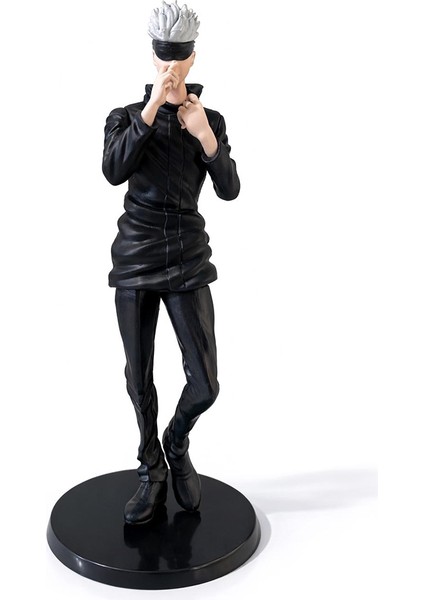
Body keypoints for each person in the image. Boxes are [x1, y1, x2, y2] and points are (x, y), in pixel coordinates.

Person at [102, 1, 240, 525]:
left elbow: (229, 189)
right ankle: (150, 468)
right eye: (163, 58)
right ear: (153, 57)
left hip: (187, 257)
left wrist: (204, 135)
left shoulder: (210, 119)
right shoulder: (124, 117)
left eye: (179, 59)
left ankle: (176, 441)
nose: (171, 69)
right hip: (136, 256)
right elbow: (113, 169)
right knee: (139, 377)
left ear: (192, 58)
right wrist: (150, 111)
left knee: (205, 384)